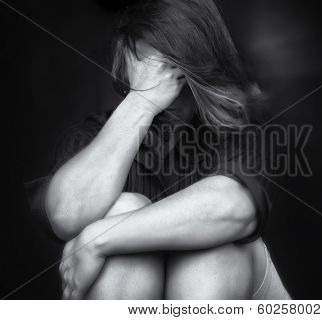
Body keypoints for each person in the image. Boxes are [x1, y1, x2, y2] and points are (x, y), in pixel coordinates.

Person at [27, 0, 290, 299]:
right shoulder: (90, 138)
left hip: (234, 282)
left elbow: (233, 209)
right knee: (124, 210)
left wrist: (97, 239)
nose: (163, 89)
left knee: (214, 247)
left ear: (198, 72)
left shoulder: (238, 126)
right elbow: (66, 215)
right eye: (150, 74)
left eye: (172, 72)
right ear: (128, 65)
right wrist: (141, 102)